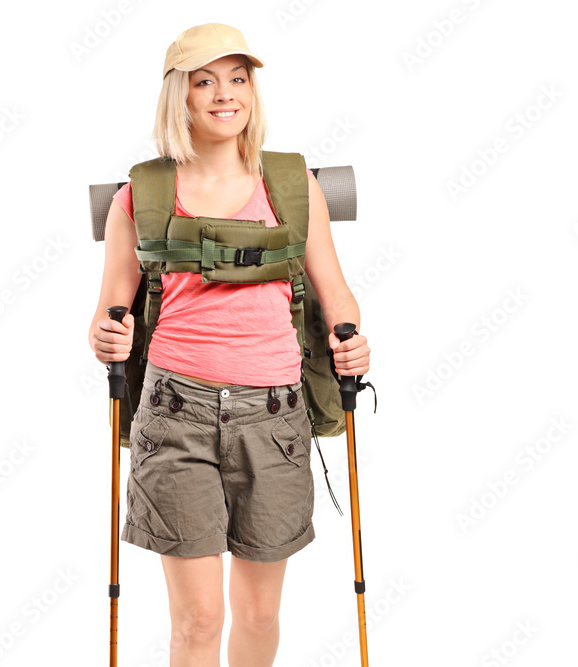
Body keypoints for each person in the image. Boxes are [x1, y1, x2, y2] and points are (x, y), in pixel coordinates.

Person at [88, 23, 370, 667]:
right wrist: (107, 333)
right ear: (179, 97)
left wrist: (352, 341)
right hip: (174, 414)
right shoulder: (141, 194)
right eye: (204, 81)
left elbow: (337, 297)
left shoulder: (294, 185)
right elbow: (108, 311)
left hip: (273, 417)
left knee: (259, 613)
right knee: (197, 620)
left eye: (238, 78)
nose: (224, 94)